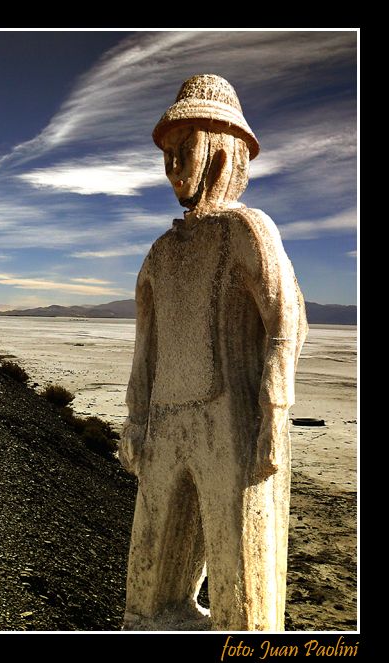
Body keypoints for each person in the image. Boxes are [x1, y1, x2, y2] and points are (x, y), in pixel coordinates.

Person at [119, 75, 307, 631]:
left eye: (188, 146)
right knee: (148, 576)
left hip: (230, 420)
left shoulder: (247, 230)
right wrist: (134, 419)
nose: (175, 163)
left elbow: (286, 321)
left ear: (223, 147)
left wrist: (273, 414)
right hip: (164, 423)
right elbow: (145, 348)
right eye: (168, 152)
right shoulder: (159, 253)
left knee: (239, 573)